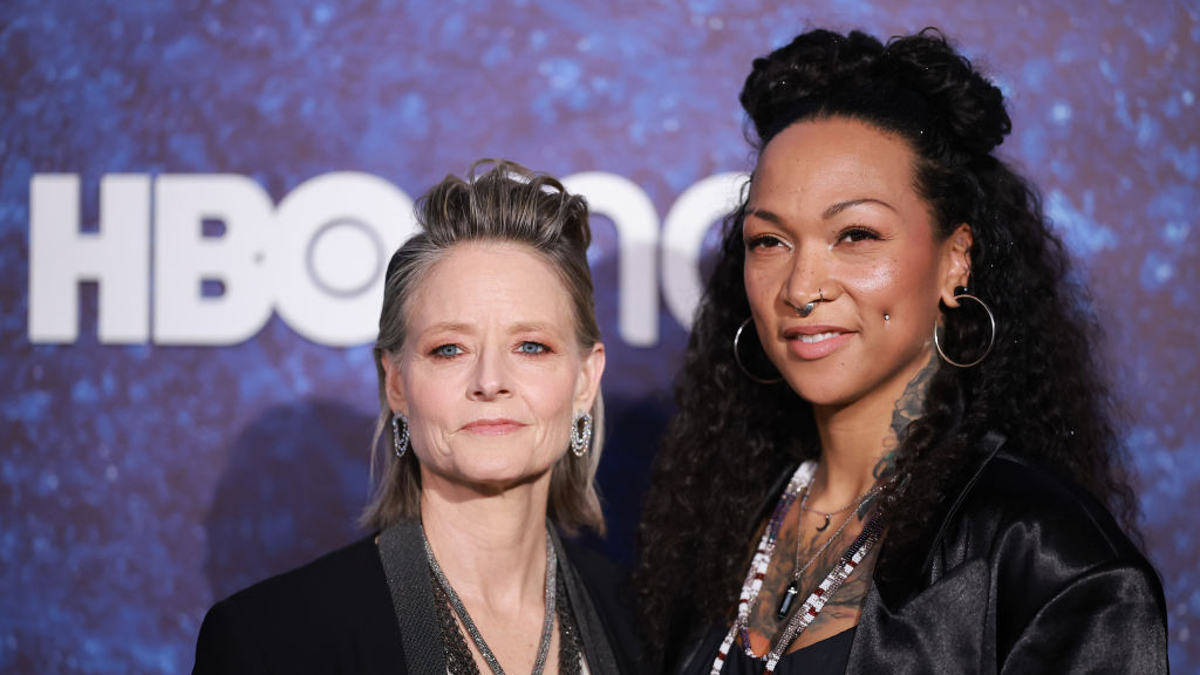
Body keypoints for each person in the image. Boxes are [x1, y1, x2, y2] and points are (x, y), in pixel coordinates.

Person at [635, 28, 1168, 675]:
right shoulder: (719, 530)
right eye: (769, 241)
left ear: (955, 259)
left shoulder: (1047, 559)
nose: (802, 288)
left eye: (855, 234)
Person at [194, 160, 641, 674]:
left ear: (585, 379)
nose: (490, 380)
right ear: (398, 384)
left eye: (531, 346)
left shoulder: (644, 629)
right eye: (449, 349)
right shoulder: (275, 640)